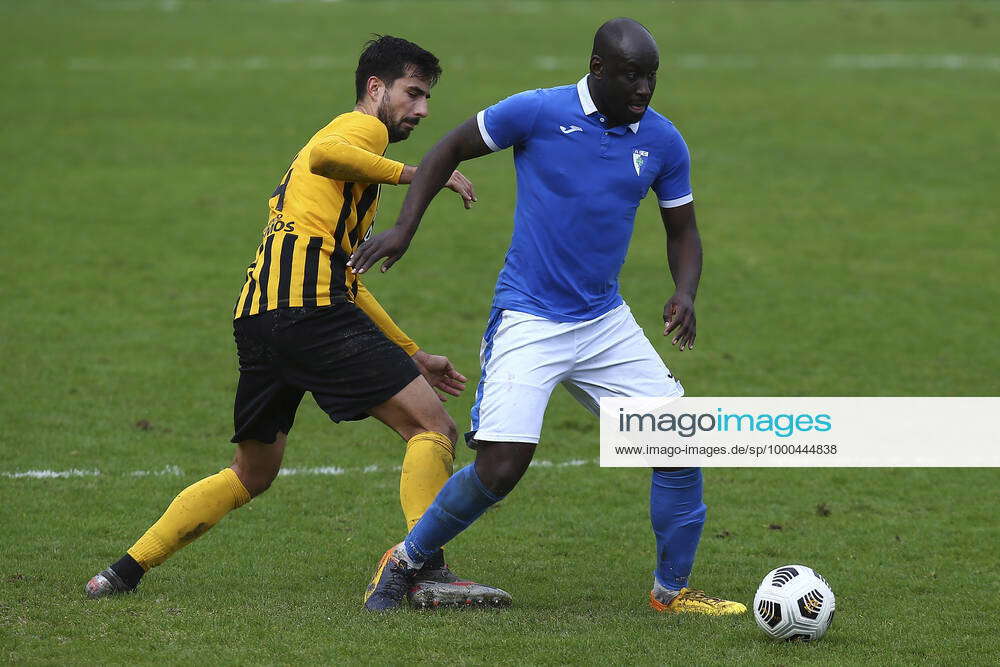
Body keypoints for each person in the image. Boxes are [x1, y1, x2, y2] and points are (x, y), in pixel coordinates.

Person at [85, 35, 511, 610]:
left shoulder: (350, 164)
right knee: (431, 428)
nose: (422, 110)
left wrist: (410, 353)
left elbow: (346, 277)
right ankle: (424, 570)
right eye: (413, 94)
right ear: (375, 88)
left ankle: (122, 571)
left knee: (251, 472)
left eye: (427, 98)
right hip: (309, 312)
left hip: (262, 316)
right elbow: (324, 158)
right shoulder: (363, 131)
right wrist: (419, 173)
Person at [351, 19, 746, 615]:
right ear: (598, 69)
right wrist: (405, 227)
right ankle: (405, 559)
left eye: (652, 77)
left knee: (679, 442)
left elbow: (683, 231)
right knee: (502, 467)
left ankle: (672, 592)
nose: (644, 88)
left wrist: (684, 292)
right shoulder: (537, 112)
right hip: (529, 318)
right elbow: (448, 148)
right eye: (632, 76)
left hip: (603, 322)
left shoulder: (663, 141)